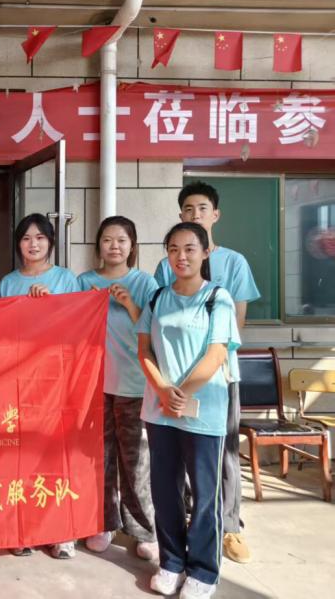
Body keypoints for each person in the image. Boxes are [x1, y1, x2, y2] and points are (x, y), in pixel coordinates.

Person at [153, 181, 259, 565]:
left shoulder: (234, 263)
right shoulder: (166, 266)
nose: (194, 214)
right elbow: (158, 318)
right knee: (176, 456)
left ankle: (228, 526)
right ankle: (188, 525)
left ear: (215, 214)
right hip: (171, 380)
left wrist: (204, 368)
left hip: (218, 378)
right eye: (188, 209)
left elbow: (236, 325)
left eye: (202, 208)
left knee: (222, 453)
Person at [138, 222, 240, 599]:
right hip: (160, 409)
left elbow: (217, 353)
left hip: (204, 412)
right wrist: (164, 391)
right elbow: (144, 350)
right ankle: (171, 562)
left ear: (205, 252)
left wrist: (182, 393)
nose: (181, 256)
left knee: (204, 495)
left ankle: (203, 570)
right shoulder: (157, 297)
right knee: (165, 490)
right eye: (173, 249)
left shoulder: (218, 298)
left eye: (190, 249)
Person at [0, 213, 79, 560]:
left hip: (56, 378)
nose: (33, 244)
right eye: (26, 238)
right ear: (18, 244)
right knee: (21, 456)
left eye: (40, 238)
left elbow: (77, 324)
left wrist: (51, 305)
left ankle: (61, 532)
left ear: (51, 242)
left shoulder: (66, 278)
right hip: (19, 380)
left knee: (56, 453)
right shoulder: (8, 282)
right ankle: (23, 529)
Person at [77, 216, 158, 560]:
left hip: (133, 384)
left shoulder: (144, 282)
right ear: (98, 245)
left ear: (132, 246)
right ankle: (102, 523)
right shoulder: (84, 281)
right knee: (100, 458)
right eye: (108, 240)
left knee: (136, 462)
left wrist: (129, 304)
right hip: (93, 385)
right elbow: (70, 326)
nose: (114, 246)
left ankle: (143, 529)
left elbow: (155, 329)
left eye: (121, 240)